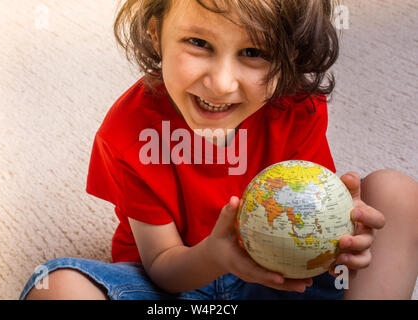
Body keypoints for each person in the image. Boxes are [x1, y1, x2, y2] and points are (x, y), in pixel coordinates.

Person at [20, 0, 418, 300]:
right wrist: (217, 256)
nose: (222, 83)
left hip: (279, 281)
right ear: (156, 33)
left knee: (397, 194)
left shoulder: (297, 107)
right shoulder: (129, 131)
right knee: (57, 286)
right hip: (177, 294)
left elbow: (306, 228)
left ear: (292, 57)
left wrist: (345, 242)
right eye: (198, 43)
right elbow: (162, 269)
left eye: (254, 53)